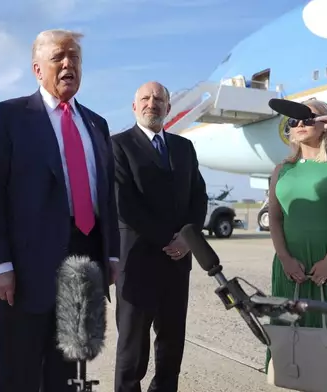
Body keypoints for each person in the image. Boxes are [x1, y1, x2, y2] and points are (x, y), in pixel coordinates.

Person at [0, 29, 120, 392]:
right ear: (38, 69)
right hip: (25, 271)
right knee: (18, 373)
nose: (69, 64)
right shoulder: (7, 117)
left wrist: (113, 254)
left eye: (75, 57)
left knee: (69, 373)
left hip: (84, 263)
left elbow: (107, 197)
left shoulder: (96, 125)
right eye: (59, 57)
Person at [111, 81, 208, 392]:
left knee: (171, 344)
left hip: (177, 264)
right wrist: (169, 239)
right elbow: (123, 203)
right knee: (132, 347)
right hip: (137, 261)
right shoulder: (117, 145)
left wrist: (187, 238)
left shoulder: (184, 148)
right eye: (145, 98)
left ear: (168, 107)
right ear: (134, 106)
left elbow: (199, 197)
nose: (152, 103)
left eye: (159, 99)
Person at [265, 98, 327, 371]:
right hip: (290, 267)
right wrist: (284, 258)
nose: (299, 124)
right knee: (292, 346)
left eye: (309, 119)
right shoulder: (281, 170)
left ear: (326, 126)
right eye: (293, 121)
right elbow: (275, 217)